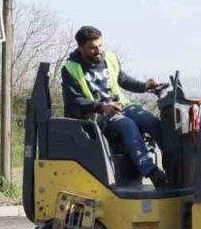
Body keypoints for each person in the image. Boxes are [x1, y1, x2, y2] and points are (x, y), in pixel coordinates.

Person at [61, 25, 169, 186]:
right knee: (128, 125)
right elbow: (74, 101)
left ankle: (173, 164)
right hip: (100, 114)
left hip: (122, 105)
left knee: (151, 121)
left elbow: (123, 80)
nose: (98, 51)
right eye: (92, 48)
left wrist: (145, 86)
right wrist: (101, 107)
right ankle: (152, 172)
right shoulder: (70, 68)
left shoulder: (110, 58)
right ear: (81, 48)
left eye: (100, 46)